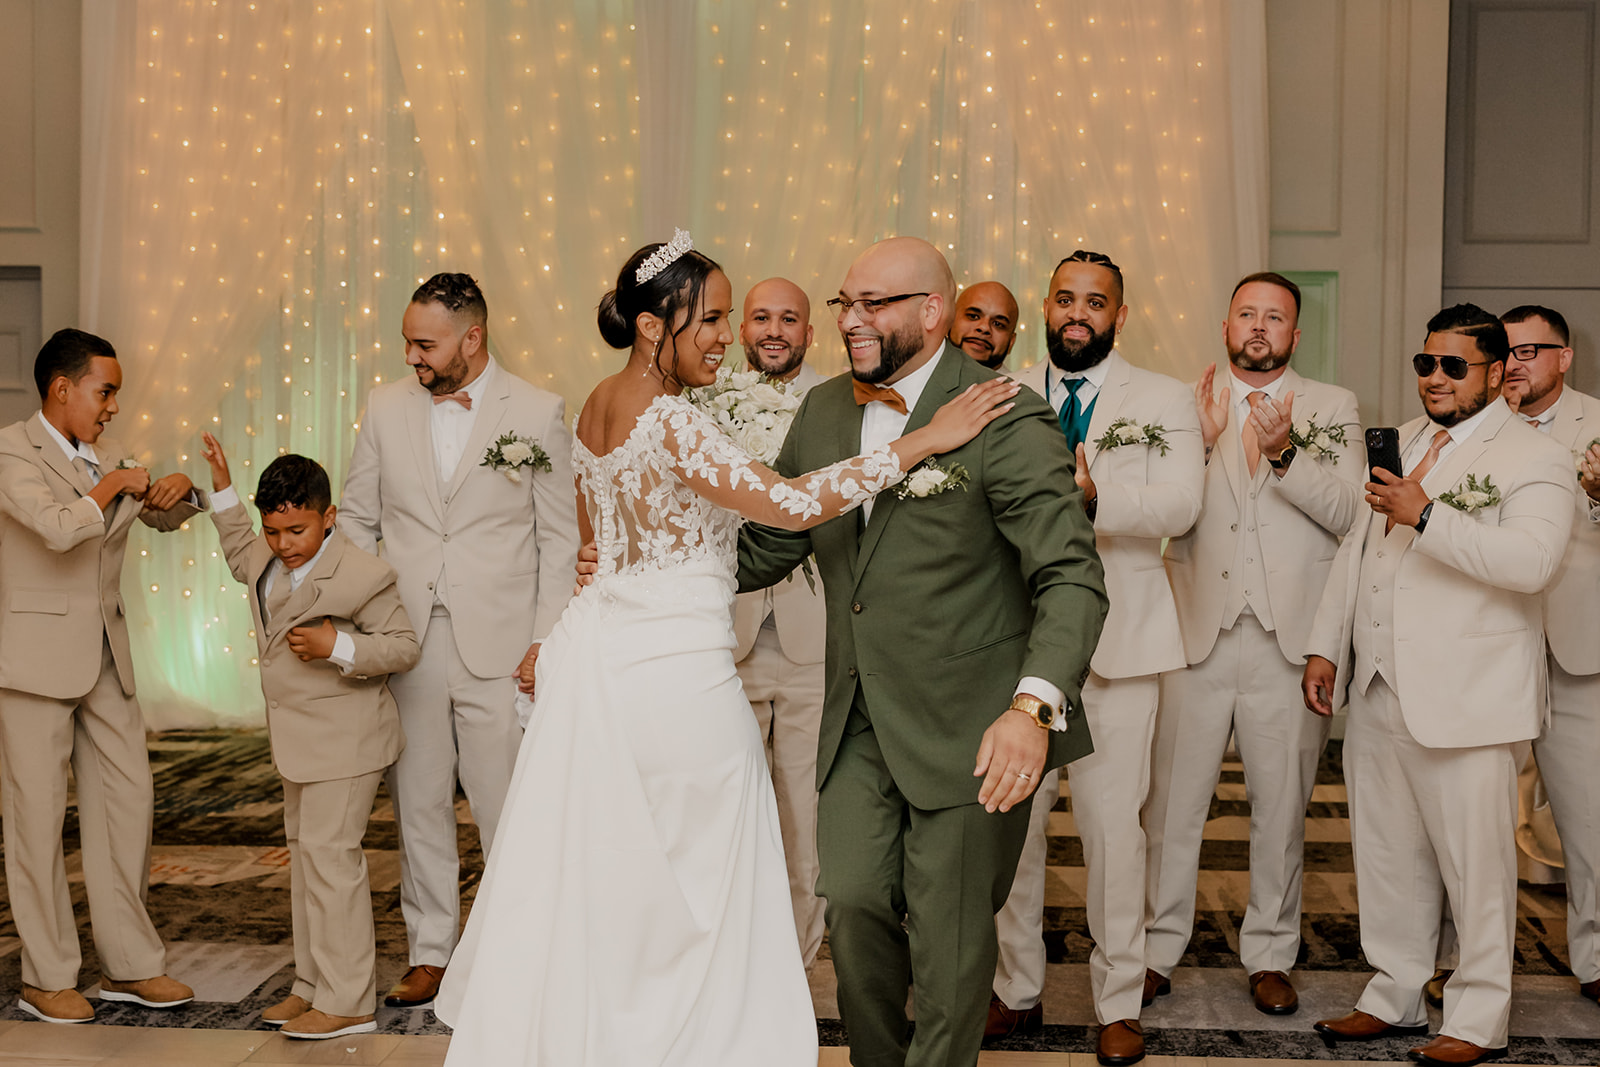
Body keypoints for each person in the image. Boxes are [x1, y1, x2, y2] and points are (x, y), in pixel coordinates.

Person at [432, 231, 1023, 1065]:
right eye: (708, 318)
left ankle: (619, 1037)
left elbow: (599, 549)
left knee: (628, 880)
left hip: (615, 666)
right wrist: (919, 443)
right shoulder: (669, 418)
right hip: (683, 688)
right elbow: (784, 506)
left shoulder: (597, 404)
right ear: (651, 326)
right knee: (704, 886)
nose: (722, 335)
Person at [737, 236, 1109, 1067]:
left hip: (975, 726)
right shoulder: (828, 408)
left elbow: (1071, 575)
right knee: (856, 904)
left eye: (874, 303)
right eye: (846, 303)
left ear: (931, 311)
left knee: (947, 943)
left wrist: (1031, 708)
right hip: (859, 716)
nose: (852, 319)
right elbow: (773, 542)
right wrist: (652, 555)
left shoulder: (1003, 411)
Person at [1302, 304, 1574, 1067]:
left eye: (1454, 366)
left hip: (1469, 695)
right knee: (1388, 853)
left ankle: (1480, 1015)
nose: (1435, 378)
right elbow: (1357, 551)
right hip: (1383, 682)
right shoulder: (1403, 440)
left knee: (1476, 866)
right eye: (1427, 362)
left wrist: (1428, 516)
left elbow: (1531, 564)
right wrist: (1327, 647)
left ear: (1495, 372)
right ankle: (1393, 991)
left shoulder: (1532, 456)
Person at [340, 272, 579, 1009]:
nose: (412, 355)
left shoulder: (538, 412)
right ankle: (432, 951)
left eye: (425, 342)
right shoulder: (384, 406)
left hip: (504, 645)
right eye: (408, 341)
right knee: (418, 802)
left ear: (471, 337)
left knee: (505, 804)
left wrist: (546, 641)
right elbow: (355, 517)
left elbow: (559, 539)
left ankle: (515, 950)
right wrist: (367, 613)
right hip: (409, 640)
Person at [997, 250, 1203, 1065]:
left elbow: (1183, 505)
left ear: (1120, 316)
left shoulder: (1163, 397)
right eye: (1065, 299)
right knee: (1012, 831)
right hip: (1017, 650)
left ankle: (1118, 998)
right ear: (1045, 307)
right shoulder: (1005, 392)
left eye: (1096, 302)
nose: (1077, 313)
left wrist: (1097, 499)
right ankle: (1016, 986)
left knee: (1115, 834)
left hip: (1123, 645)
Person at [1142, 273, 1363, 1016]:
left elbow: (1348, 516)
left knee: (1282, 807)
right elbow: (1163, 515)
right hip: (1194, 635)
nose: (1260, 326)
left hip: (1288, 641)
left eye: (1276, 317)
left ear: (1297, 335)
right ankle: (1154, 946)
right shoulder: (1180, 404)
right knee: (1172, 805)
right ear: (1226, 323)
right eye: (1248, 313)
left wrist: (1285, 453)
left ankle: (1271, 950)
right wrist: (1202, 447)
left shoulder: (1334, 407)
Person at [0, 329, 203, 1023]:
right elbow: (57, 528)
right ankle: (47, 973)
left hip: (107, 657)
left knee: (128, 805)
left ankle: (130, 963)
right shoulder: (8, 451)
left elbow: (161, 514)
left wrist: (184, 493)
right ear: (63, 387)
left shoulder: (107, 458)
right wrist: (115, 482)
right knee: (35, 817)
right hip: (31, 660)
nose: (113, 405)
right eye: (104, 390)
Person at [202, 438, 421, 1039]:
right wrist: (221, 482)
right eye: (273, 532)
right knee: (306, 862)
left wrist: (338, 647)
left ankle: (348, 1000)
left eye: (296, 531)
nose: (283, 545)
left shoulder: (363, 573)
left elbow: (403, 646)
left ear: (328, 518)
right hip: (297, 743)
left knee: (333, 864)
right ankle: (312, 983)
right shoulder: (267, 559)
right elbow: (235, 543)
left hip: (346, 743)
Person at [1499, 305, 1600, 1004]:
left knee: (1591, 817)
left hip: (1577, 645)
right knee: (1468, 814)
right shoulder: (1476, 425)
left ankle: (1596, 960)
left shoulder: (1599, 423)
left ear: (1564, 357)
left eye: (1530, 350)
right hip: (1490, 641)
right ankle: (1463, 958)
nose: (1514, 363)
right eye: (1504, 351)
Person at [731, 277, 829, 966]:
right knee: (727, 812)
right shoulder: (705, 403)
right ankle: (732, 954)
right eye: (761, 317)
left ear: (808, 333)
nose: (775, 330)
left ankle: (794, 962)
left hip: (813, 635)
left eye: (788, 318)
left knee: (805, 814)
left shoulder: (839, 403)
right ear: (741, 328)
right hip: (723, 636)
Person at [949, 280, 1020, 369]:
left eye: (998, 324)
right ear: (950, 319)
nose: (984, 328)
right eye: (973, 316)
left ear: (1011, 342)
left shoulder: (1013, 383)